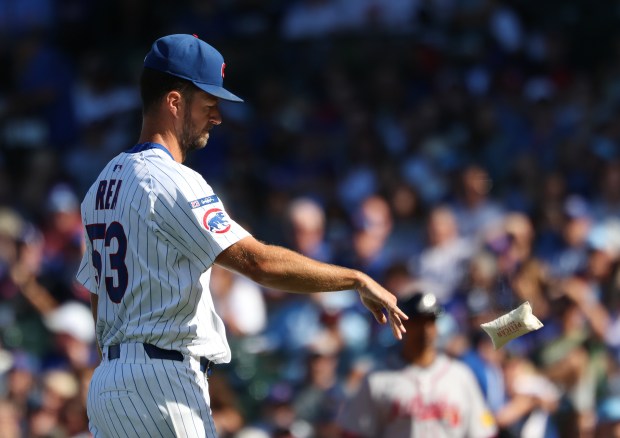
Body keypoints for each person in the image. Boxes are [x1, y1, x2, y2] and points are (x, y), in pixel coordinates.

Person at [74, 33, 408, 438]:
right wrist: (355, 278)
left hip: (110, 383)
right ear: (175, 101)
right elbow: (259, 262)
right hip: (162, 384)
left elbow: (98, 295)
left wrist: (121, 366)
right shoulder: (174, 181)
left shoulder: (102, 184)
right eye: (209, 103)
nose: (216, 116)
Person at [337, 291, 497, 438]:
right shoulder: (377, 378)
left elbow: (483, 432)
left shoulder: (461, 376)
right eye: (418, 322)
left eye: (430, 321)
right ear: (403, 324)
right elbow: (354, 433)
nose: (426, 330)